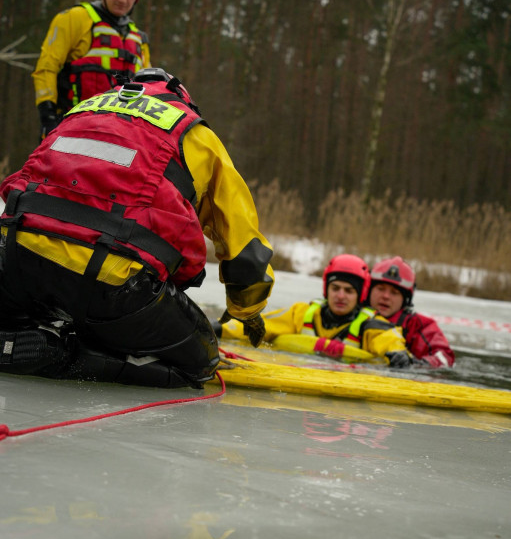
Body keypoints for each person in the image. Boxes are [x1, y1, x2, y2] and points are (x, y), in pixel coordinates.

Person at [0, 67, 274, 388]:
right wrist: (246, 309)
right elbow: (243, 244)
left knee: (21, 312)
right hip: (108, 281)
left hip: (14, 260)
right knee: (202, 362)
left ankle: (14, 340)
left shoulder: (81, 110)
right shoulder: (193, 132)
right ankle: (64, 355)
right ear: (181, 98)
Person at [33, 0, 151, 142]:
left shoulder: (138, 39)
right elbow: (47, 67)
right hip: (71, 128)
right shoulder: (74, 19)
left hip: (120, 136)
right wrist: (47, 116)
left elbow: (149, 89)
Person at [215, 254, 412, 367]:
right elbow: (260, 325)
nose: (340, 296)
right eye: (335, 288)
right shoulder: (301, 313)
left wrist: (398, 354)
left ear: (360, 294)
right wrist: (220, 328)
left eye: (349, 291)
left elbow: (389, 340)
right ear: (327, 289)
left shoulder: (373, 325)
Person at [369, 256, 455, 368]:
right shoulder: (354, 316)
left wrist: (415, 364)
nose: (386, 296)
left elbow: (445, 357)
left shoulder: (419, 326)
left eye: (394, 292)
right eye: (380, 289)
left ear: (405, 299)